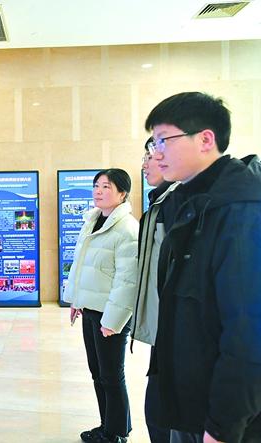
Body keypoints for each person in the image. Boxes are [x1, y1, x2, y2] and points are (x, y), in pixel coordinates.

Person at [145, 91, 261, 443]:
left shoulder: (241, 211)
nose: (156, 153)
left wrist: (224, 424)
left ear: (206, 139)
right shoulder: (186, 203)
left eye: (164, 140)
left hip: (221, 417)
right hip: (187, 401)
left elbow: (248, 332)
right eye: (153, 142)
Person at [63, 168, 139, 443]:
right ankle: (109, 425)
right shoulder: (94, 221)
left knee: (111, 375)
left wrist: (113, 320)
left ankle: (116, 433)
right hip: (92, 309)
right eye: (96, 185)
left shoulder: (127, 229)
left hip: (110, 313)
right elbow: (81, 265)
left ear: (122, 193)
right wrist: (76, 300)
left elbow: (127, 281)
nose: (98, 191)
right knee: (98, 372)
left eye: (106, 186)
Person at [131, 137, 180, 443]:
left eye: (149, 156)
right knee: (158, 411)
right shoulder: (160, 203)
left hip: (179, 333)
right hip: (164, 329)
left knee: (165, 414)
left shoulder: (181, 204)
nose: (145, 164)